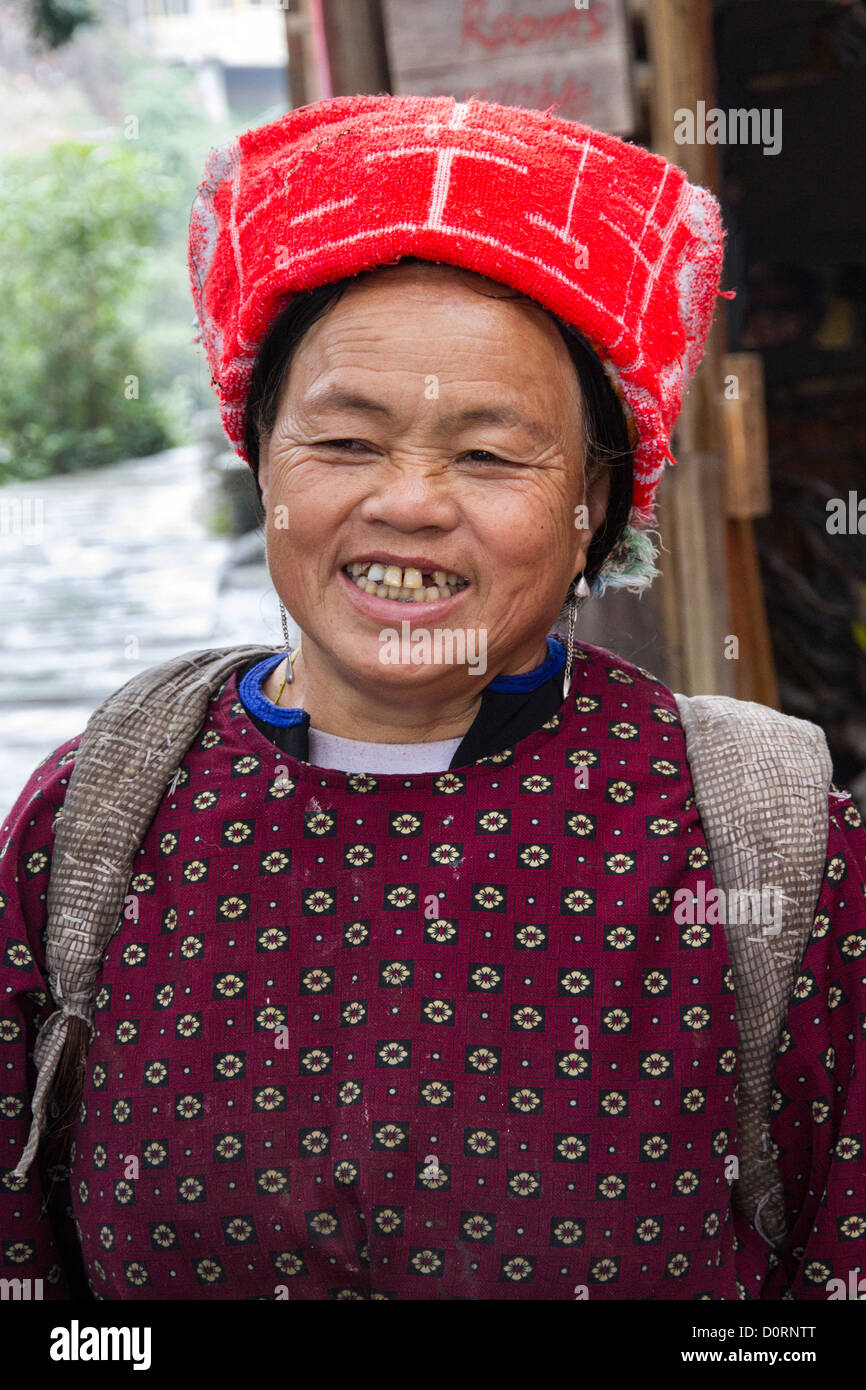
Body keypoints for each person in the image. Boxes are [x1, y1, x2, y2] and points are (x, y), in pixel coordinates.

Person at [1, 94, 864, 1302]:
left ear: (595, 514)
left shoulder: (765, 835)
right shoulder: (90, 817)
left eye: (490, 453)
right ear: (262, 466)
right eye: (343, 443)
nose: (407, 502)